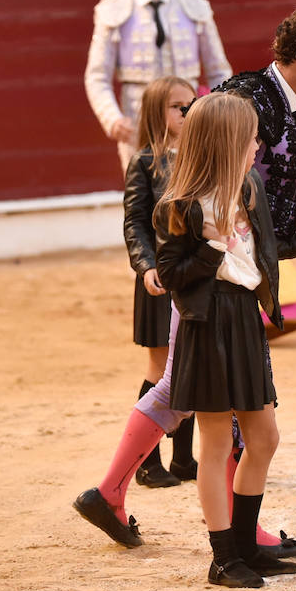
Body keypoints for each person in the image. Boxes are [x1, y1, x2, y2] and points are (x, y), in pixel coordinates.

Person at [74, 3, 296, 556]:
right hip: (209, 263)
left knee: (185, 388)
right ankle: (238, 534)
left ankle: (113, 493)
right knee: (232, 400)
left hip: (234, 263)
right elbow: (224, 189)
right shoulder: (245, 100)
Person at [154, 92, 296, 589]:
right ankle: (222, 558)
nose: (258, 144)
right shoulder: (180, 206)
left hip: (241, 319)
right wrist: (213, 248)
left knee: (264, 438)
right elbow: (172, 274)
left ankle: (245, 547)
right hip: (207, 324)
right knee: (215, 444)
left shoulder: (249, 186)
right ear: (225, 143)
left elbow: (262, 247)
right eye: (251, 137)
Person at [84, 0, 232, 167]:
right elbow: (97, 76)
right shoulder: (113, 9)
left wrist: (216, 113)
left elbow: (218, 69)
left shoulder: (194, 5)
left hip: (188, 116)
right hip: (137, 117)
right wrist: (112, 118)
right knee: (141, 195)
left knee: (191, 191)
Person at [122, 76, 199, 489]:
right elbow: (135, 221)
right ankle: (148, 463)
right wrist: (146, 265)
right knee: (159, 368)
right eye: (175, 106)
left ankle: (184, 458)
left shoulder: (200, 155)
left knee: (188, 365)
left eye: (190, 104)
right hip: (158, 276)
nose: (185, 112)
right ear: (156, 113)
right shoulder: (145, 161)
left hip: (192, 276)